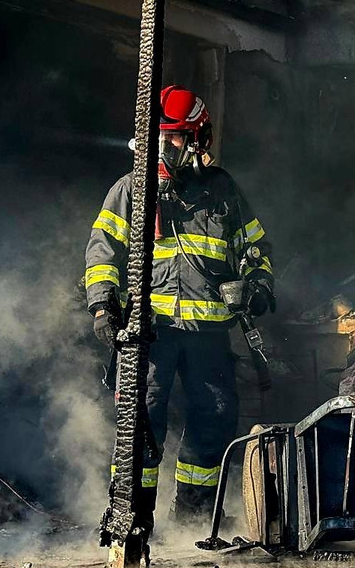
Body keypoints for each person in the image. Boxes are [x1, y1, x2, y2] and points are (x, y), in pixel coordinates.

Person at [85, 85, 275, 527]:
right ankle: (130, 520)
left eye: (172, 138)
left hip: (209, 338)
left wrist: (258, 285)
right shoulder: (131, 189)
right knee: (141, 423)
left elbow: (256, 248)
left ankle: (192, 522)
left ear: (197, 140)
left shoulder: (222, 191)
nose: (164, 148)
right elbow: (102, 251)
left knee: (214, 421)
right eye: (158, 138)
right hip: (150, 336)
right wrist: (102, 306)